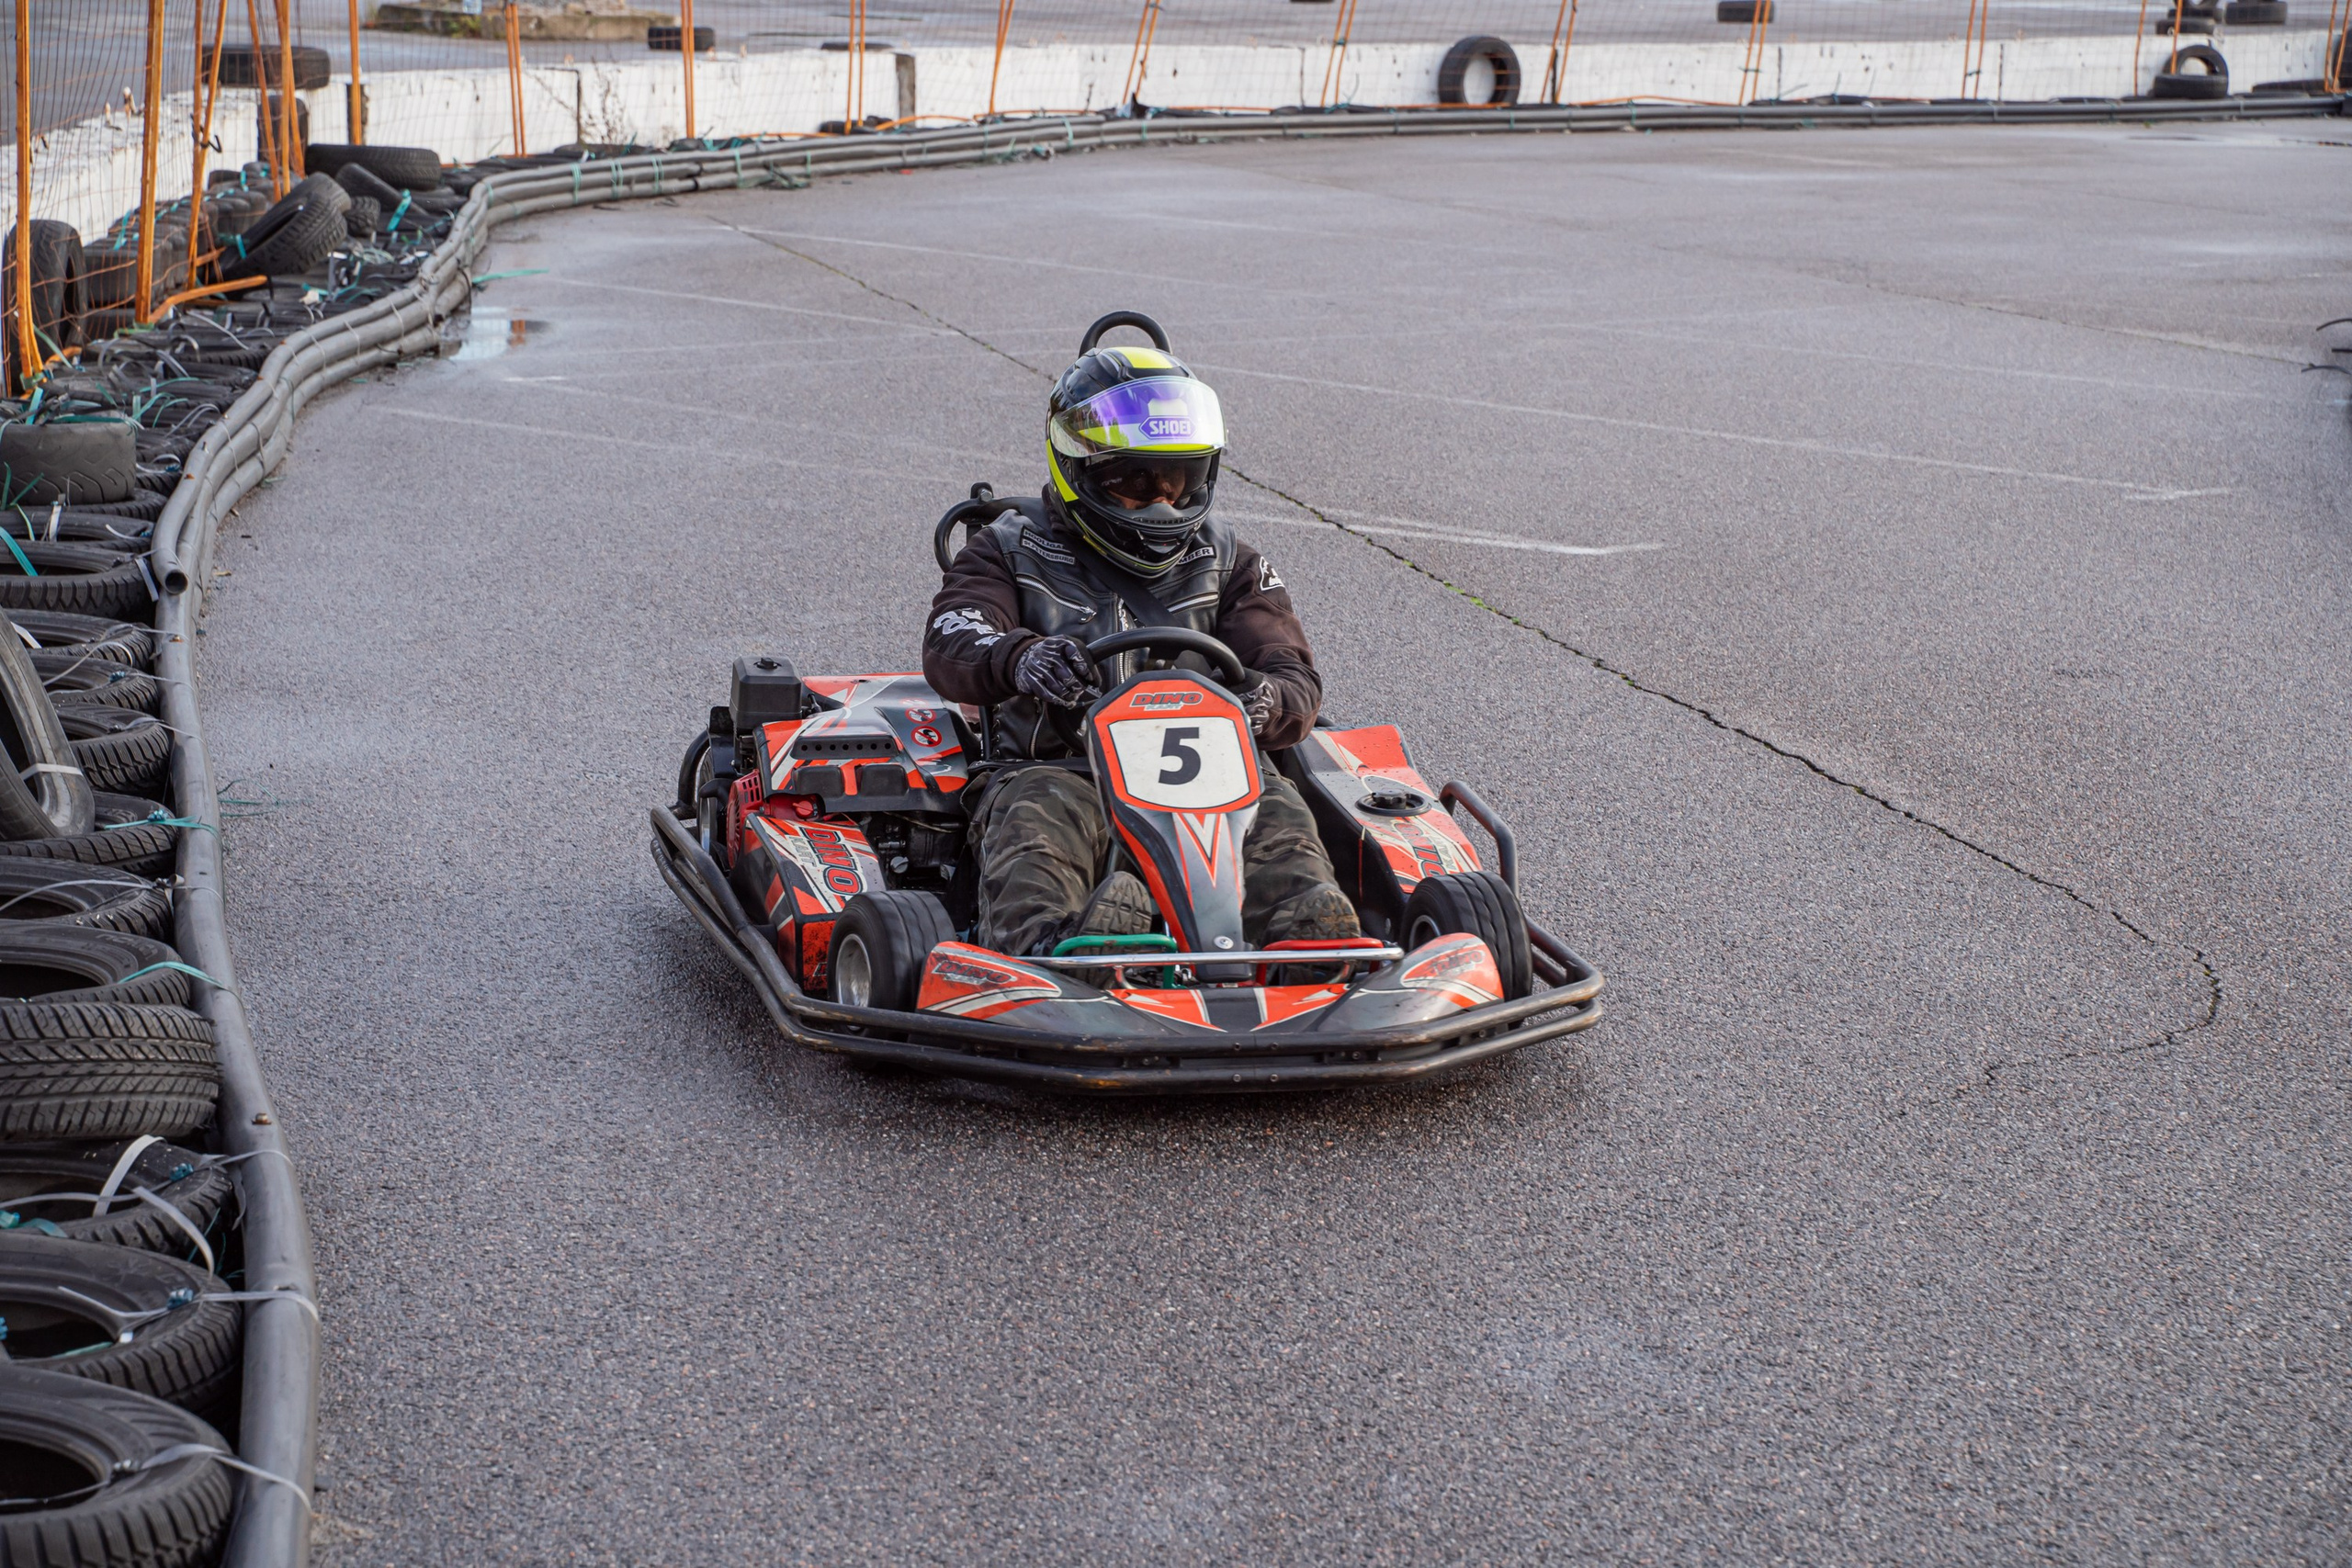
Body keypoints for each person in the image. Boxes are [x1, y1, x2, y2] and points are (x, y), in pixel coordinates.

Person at [922, 331, 1363, 958]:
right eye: (1136, 481)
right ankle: (1066, 950)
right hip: (1061, 768)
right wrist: (1021, 657)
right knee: (1039, 824)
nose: (1162, 503)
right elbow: (952, 635)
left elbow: (1292, 673)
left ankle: (1304, 940)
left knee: (1275, 808)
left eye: (1179, 481)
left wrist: (1267, 699)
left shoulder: (1229, 558)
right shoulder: (1007, 550)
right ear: (1083, 470)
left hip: (1210, 778)